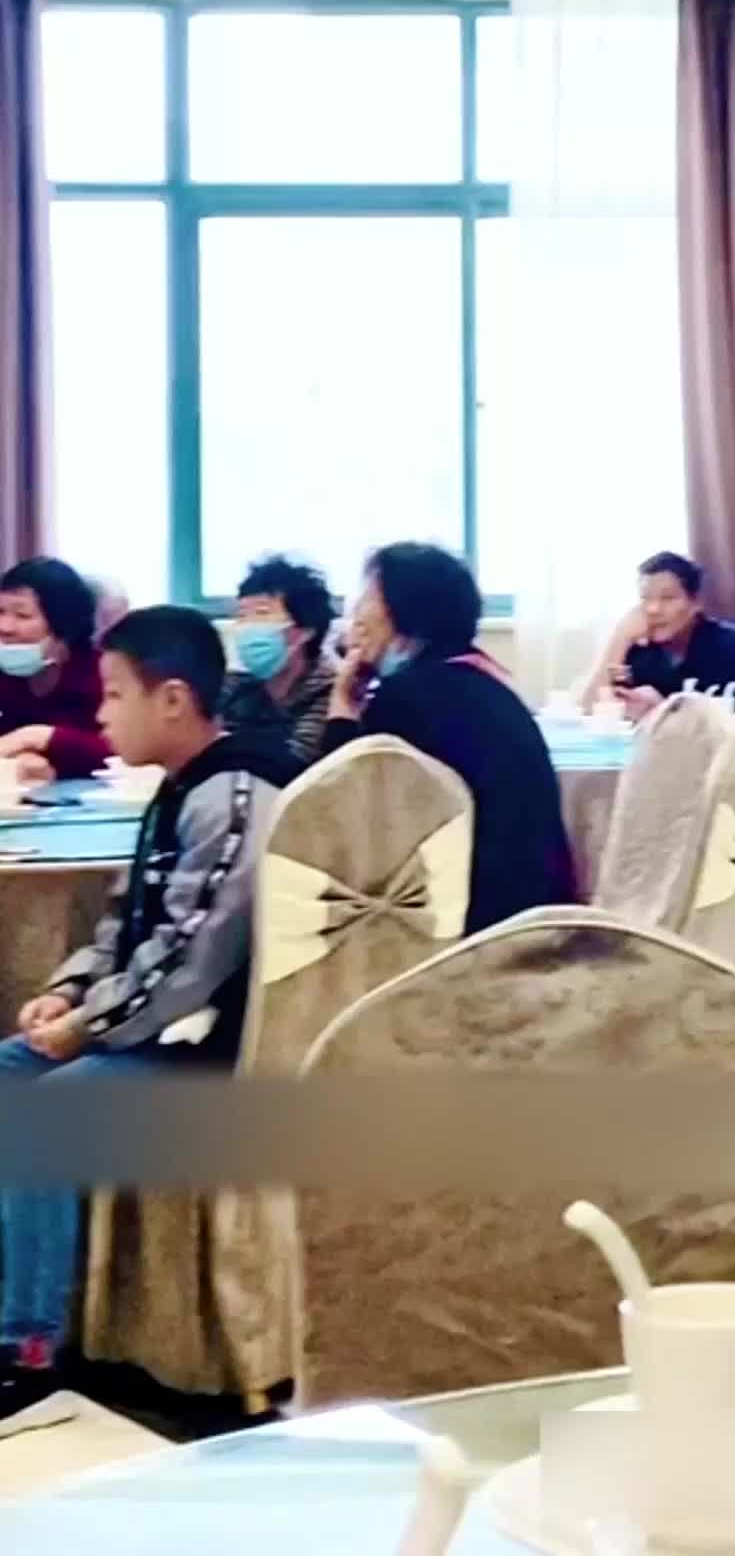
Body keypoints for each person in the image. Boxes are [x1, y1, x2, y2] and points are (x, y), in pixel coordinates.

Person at [0, 605, 292, 1438]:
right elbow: (126, 923)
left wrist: (89, 1027)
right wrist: (69, 990)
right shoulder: (178, 789)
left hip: (217, 1045)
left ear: (172, 699)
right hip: (158, 1025)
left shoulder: (237, 792)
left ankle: (32, 1353)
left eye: (114, 693)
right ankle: (19, 1297)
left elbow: (193, 959)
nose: (100, 713)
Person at [323, 543, 575, 932]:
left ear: (406, 612)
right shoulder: (485, 685)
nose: (355, 616)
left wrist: (341, 709)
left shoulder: (407, 698)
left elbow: (341, 817)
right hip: (536, 915)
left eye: (367, 599)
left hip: (471, 927)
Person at [593, 552, 735, 723]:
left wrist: (662, 710)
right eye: (645, 598)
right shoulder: (637, 647)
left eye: (667, 598)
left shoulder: (734, 646)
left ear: (696, 602)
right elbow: (589, 711)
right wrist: (620, 639)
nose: (653, 609)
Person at [221, 554, 336, 770]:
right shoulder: (236, 689)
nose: (247, 626)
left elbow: (295, 764)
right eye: (242, 615)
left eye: (262, 613)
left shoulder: (333, 694)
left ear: (305, 630)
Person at [0, 558, 110, 783]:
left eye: (22, 615)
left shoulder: (105, 674)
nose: (5, 627)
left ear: (65, 626)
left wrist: (42, 737)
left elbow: (128, 750)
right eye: (0, 612)